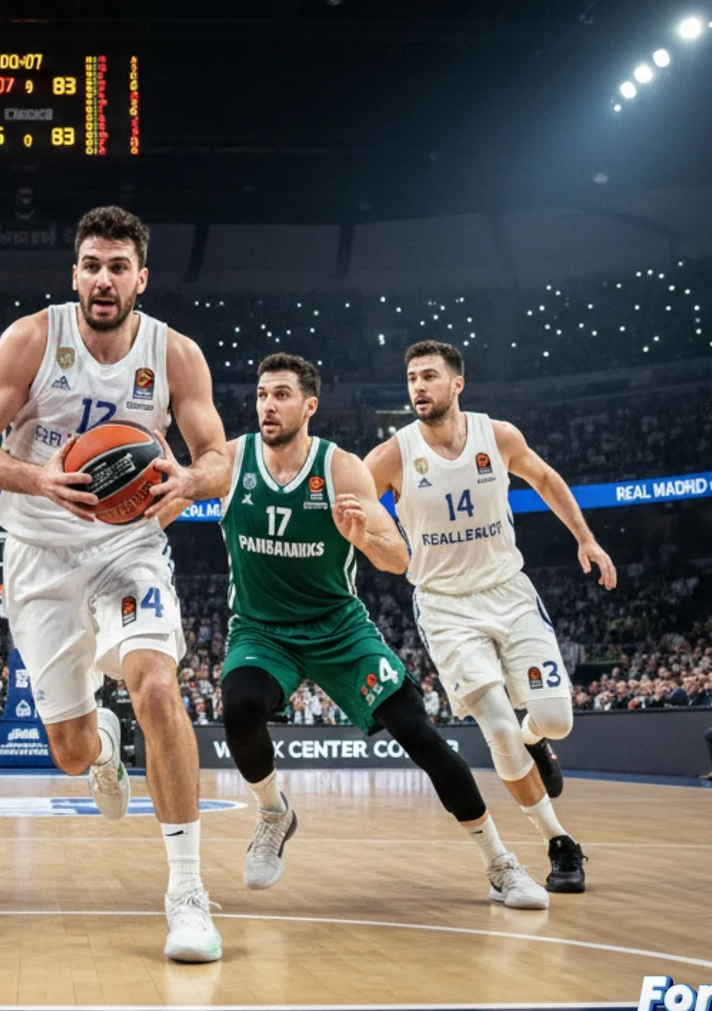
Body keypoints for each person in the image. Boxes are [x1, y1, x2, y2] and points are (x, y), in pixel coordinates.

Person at [0, 206, 234, 962]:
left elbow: (217, 458)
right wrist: (37, 479)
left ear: (142, 278)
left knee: (157, 685)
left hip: (128, 546)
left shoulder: (175, 354)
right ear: (74, 273)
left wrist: (189, 482)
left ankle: (186, 892)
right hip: (39, 552)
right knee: (72, 754)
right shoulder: (31, 340)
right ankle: (103, 747)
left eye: (117, 267)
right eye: (90, 265)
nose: (103, 279)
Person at [213, 354, 552, 909]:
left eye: (281, 395)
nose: (267, 406)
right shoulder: (231, 460)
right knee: (240, 706)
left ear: (309, 406)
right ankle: (274, 811)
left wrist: (363, 538)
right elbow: (173, 495)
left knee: (419, 733)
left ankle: (499, 863)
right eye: (261, 395)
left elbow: (398, 558)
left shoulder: (342, 468)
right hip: (262, 630)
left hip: (339, 629)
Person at [364, 340, 612, 895]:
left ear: (457, 384)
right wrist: (373, 538)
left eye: (429, 376)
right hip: (445, 606)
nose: (418, 387)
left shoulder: (497, 436)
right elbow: (347, 499)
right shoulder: (393, 454)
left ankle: (535, 738)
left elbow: (546, 479)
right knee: (496, 728)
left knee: (554, 720)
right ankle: (558, 841)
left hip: (509, 593)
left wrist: (586, 539)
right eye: (412, 378)